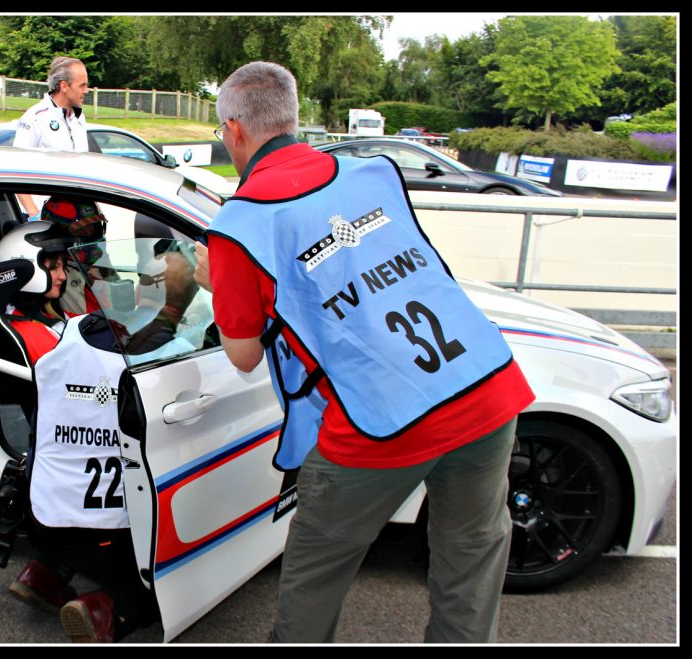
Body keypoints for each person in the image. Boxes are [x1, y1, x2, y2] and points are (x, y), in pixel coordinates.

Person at [194, 61, 536, 644]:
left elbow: (245, 355)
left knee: (314, 578)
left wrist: (210, 284)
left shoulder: (240, 225)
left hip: (378, 424)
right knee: (469, 567)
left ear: (234, 128)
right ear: (291, 117)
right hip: (484, 387)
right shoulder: (370, 173)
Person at [0, 211, 176, 644]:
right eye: (51, 264)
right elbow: (114, 358)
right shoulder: (49, 339)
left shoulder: (32, 326)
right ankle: (106, 611)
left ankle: (44, 574)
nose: (61, 271)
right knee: (158, 583)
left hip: (45, 511)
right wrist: (169, 314)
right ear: (26, 267)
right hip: (104, 523)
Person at [14, 57, 90, 221]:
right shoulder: (35, 117)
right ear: (64, 86)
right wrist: (35, 214)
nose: (86, 90)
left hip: (74, 214)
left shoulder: (79, 117)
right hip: (45, 216)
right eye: (82, 85)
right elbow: (16, 170)